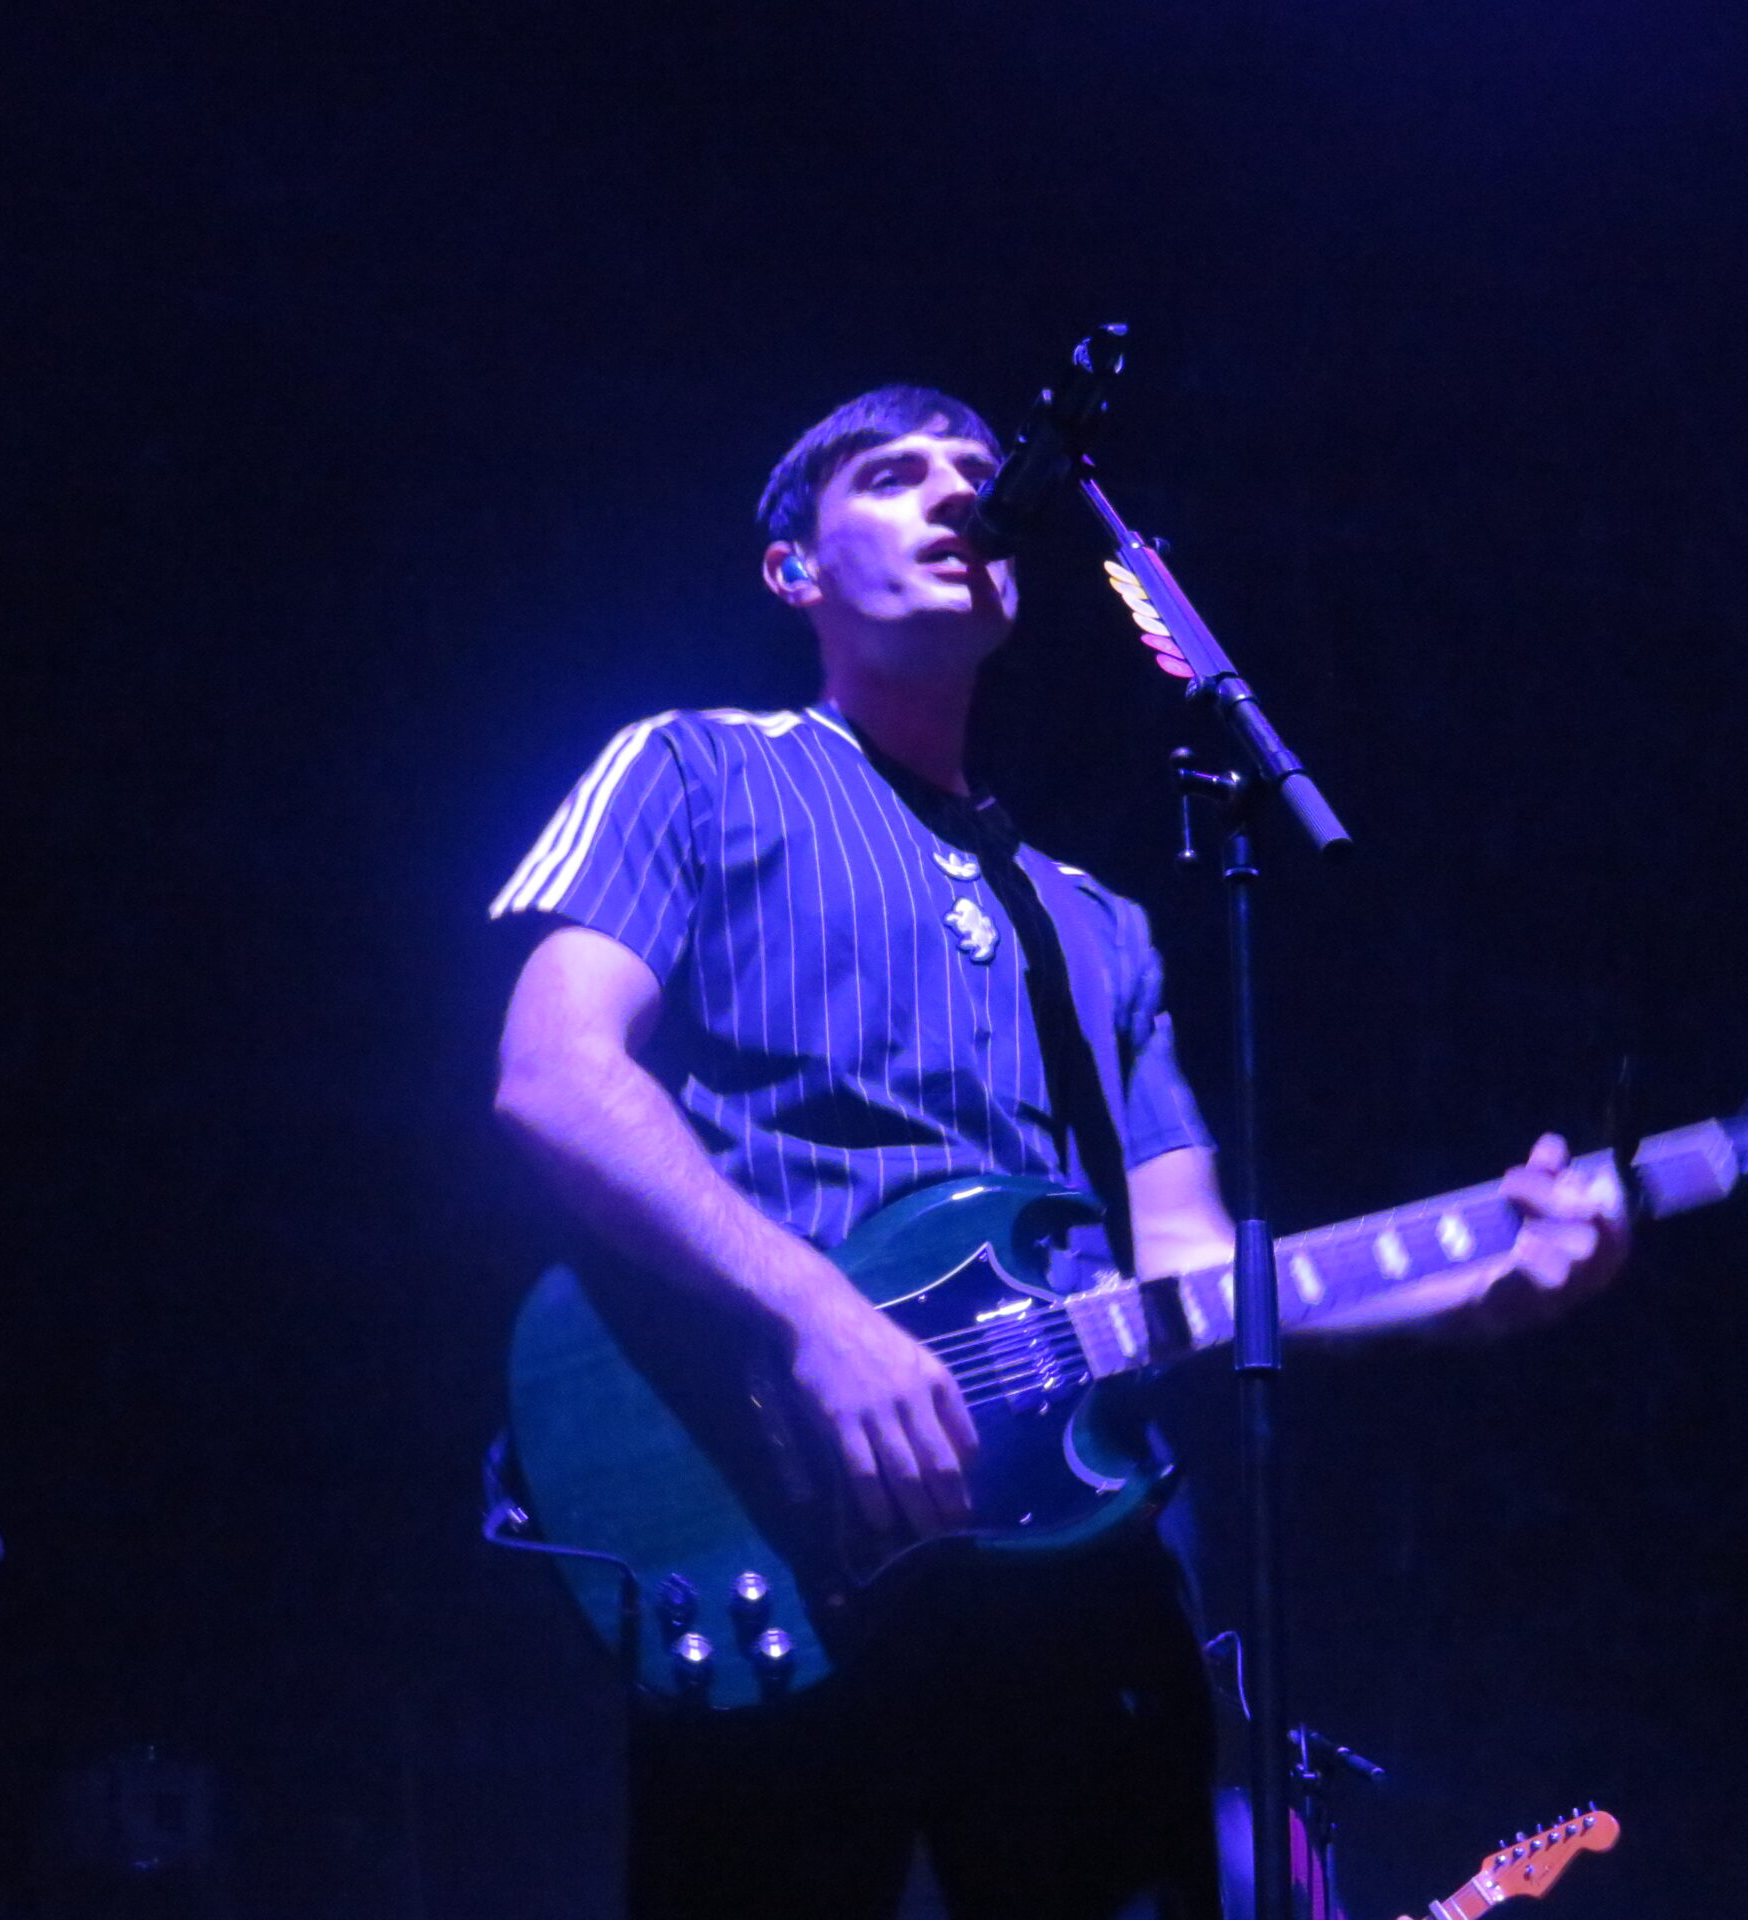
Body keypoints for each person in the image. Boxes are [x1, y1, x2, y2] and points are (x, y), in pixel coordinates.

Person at [489, 386, 1628, 1919]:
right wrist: (821, 1317)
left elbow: (1189, 1271)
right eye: (894, 477)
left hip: (1073, 1573)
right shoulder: (697, 771)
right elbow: (557, 1078)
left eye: (978, 474)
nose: (957, 496)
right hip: (776, 1522)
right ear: (793, 570)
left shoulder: (1098, 923)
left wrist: (1481, 1284)